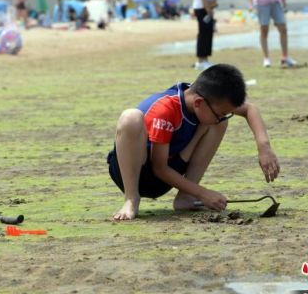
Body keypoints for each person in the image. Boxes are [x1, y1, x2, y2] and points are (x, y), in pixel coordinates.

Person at [107, 64, 280, 221]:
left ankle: (185, 198)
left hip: (168, 169)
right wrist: (202, 193)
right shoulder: (165, 109)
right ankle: (131, 199)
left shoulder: (205, 96)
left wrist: (264, 148)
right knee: (131, 117)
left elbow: (250, 108)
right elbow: (159, 168)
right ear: (198, 103)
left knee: (217, 123)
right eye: (221, 112)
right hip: (136, 171)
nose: (223, 116)